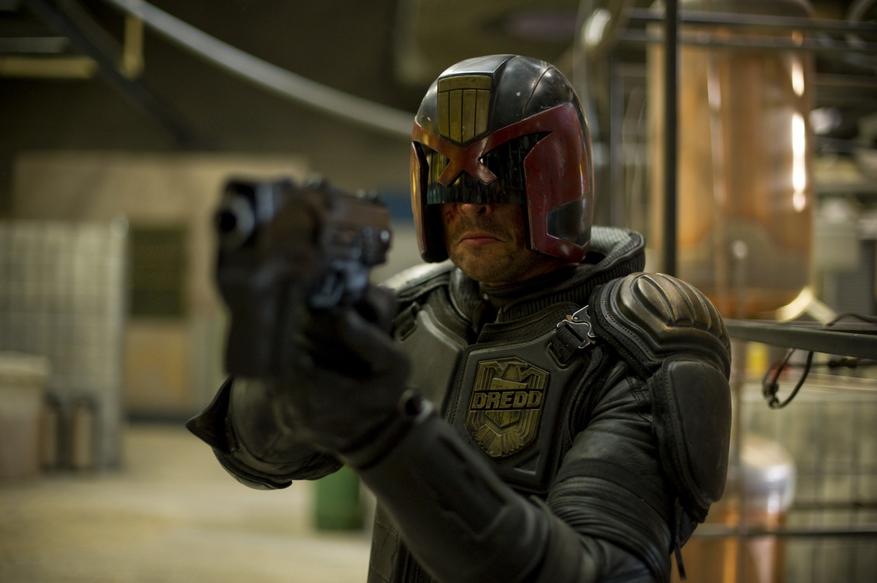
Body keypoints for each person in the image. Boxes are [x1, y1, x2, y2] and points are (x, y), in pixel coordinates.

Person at [187, 54, 732, 583]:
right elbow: (251, 457)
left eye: (500, 177)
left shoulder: (643, 335)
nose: (471, 206)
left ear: (557, 180)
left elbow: (604, 569)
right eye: (450, 181)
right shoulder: (411, 309)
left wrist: (386, 434)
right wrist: (291, 362)